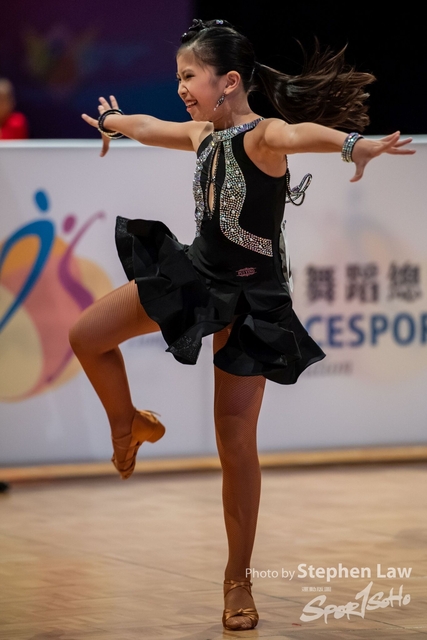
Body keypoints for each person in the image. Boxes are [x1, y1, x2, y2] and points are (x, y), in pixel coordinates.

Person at [69, 19, 414, 631]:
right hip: (198, 277)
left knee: (234, 445)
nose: (180, 87)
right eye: (178, 76)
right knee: (86, 336)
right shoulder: (202, 134)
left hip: (254, 299)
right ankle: (129, 424)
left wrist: (352, 145)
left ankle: (237, 580)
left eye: (189, 76)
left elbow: (301, 133)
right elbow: (148, 127)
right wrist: (113, 122)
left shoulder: (263, 136)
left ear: (228, 81)